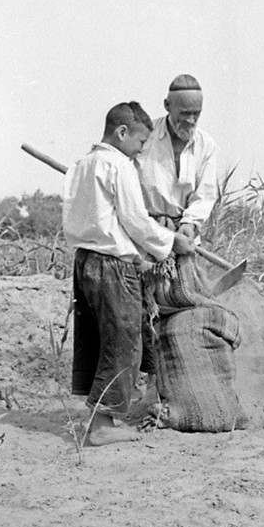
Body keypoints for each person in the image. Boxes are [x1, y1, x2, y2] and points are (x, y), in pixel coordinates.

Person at [62, 102, 195, 446]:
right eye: (139, 143)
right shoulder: (118, 165)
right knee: (124, 341)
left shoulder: (82, 164)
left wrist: (138, 252)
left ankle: (95, 414)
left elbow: (105, 220)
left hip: (85, 262)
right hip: (111, 266)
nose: (139, 152)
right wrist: (171, 242)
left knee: (98, 338)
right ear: (122, 133)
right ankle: (102, 424)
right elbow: (135, 221)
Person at [136, 74, 219, 241]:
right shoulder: (144, 136)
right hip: (146, 235)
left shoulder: (207, 146)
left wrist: (189, 224)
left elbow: (205, 195)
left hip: (185, 237)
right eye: (184, 113)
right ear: (167, 105)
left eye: (196, 114)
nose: (190, 120)